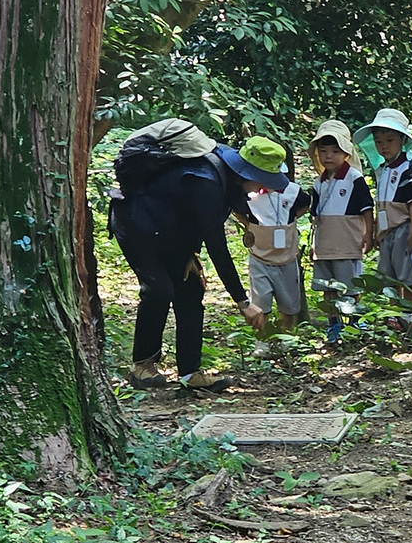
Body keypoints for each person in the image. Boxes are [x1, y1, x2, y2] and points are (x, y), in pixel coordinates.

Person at [109, 133, 289, 391]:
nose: (265, 189)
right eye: (263, 183)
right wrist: (243, 302)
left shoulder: (225, 171)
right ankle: (142, 365)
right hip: (136, 223)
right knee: (159, 289)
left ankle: (190, 373)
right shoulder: (207, 181)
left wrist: (190, 254)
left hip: (169, 229)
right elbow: (216, 244)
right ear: (248, 174)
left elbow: (187, 213)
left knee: (191, 288)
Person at [308, 120, 375, 342]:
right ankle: (333, 324)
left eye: (335, 151)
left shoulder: (354, 178)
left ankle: (355, 321)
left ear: (346, 153)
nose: (329, 156)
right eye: (324, 151)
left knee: (351, 284)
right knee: (327, 287)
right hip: (324, 245)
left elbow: (366, 209)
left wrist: (368, 234)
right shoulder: (319, 182)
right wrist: (313, 244)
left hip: (347, 242)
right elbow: (315, 217)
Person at [352, 109, 412, 300]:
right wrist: (374, 231)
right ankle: (394, 312)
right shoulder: (381, 169)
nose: (384, 146)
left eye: (390, 141)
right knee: (388, 275)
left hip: (402, 227)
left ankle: (407, 314)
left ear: (402, 141)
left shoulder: (407, 169)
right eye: (379, 142)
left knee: (406, 274)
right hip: (385, 230)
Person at [238, 178, 311, 340]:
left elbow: (305, 204)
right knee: (260, 300)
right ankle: (261, 339)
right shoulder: (248, 194)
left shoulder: (293, 191)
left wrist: (290, 220)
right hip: (259, 256)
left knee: (289, 304)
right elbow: (236, 210)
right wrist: (249, 226)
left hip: (287, 257)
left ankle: (287, 337)